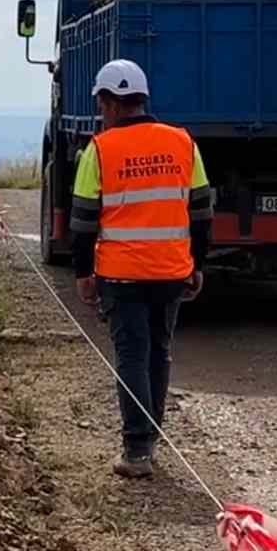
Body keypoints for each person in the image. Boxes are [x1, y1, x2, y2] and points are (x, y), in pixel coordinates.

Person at [69, 57, 213, 479]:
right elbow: (202, 211)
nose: (100, 112)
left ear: (114, 103)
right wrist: (197, 264)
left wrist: (83, 274)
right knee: (158, 352)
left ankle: (137, 450)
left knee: (132, 355)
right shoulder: (182, 142)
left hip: (121, 275)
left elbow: (81, 221)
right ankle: (148, 439)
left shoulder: (100, 148)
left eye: (101, 103)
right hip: (171, 272)